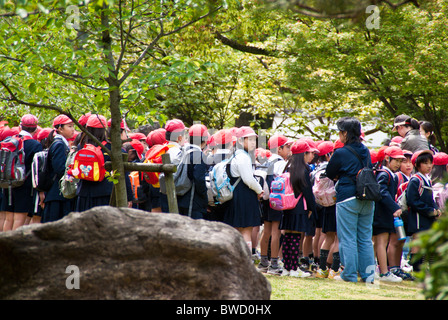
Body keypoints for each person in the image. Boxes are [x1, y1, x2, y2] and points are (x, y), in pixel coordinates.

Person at [325, 117, 376, 283]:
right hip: (367, 197)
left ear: (345, 133)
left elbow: (330, 172)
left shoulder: (340, 152)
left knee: (347, 238)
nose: (339, 135)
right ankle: (368, 275)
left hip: (347, 197)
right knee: (365, 238)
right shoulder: (365, 150)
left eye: (340, 132)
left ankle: (349, 274)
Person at [75, 114, 133, 212]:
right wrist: (129, 197)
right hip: (105, 194)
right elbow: (123, 175)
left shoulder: (81, 147)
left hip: (84, 194)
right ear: (104, 129)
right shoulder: (111, 149)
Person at [278, 140, 316, 278]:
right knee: (295, 238)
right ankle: (294, 268)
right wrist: (313, 208)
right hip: (299, 206)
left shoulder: (289, 166)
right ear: (303, 154)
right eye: (309, 153)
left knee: (288, 237)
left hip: (288, 205)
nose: (310, 156)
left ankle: (287, 268)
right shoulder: (303, 169)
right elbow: (307, 192)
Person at [223, 126, 264, 254]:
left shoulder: (236, 155)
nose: (253, 143)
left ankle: (236, 259)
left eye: (254, 140)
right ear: (241, 141)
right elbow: (248, 179)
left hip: (237, 194)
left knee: (238, 230)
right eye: (250, 139)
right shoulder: (243, 157)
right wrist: (260, 190)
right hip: (244, 195)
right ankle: (245, 261)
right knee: (246, 230)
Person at [258, 134, 292, 275]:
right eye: (287, 147)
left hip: (265, 200)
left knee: (266, 231)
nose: (289, 150)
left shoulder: (264, 161)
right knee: (275, 233)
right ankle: (273, 264)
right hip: (277, 201)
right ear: (279, 148)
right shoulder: (281, 163)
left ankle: (263, 262)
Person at [2, 115, 43, 231]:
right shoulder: (35, 145)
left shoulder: (8, 141)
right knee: (19, 219)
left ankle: (4, 245)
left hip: (7, 182)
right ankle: (13, 246)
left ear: (20, 127)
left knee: (8, 218)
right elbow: (37, 168)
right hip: (24, 184)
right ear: (35, 129)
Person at [372, 146, 405, 282]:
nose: (398, 163)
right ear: (387, 158)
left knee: (377, 243)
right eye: (396, 160)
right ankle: (384, 273)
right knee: (381, 242)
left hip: (382, 213)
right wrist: (394, 207)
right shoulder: (385, 174)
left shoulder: (388, 173)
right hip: (382, 213)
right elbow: (382, 192)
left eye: (400, 160)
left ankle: (373, 270)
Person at [407, 150, 441, 271]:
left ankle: (420, 268)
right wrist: (430, 210)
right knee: (417, 243)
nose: (429, 166)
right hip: (417, 218)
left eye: (430, 163)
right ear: (417, 164)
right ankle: (417, 270)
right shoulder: (416, 180)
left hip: (426, 217)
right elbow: (412, 201)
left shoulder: (427, 180)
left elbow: (431, 200)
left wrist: (436, 209)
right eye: (425, 163)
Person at [41, 115, 76, 223]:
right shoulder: (59, 144)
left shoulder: (60, 143)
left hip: (57, 192)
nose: (73, 129)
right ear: (60, 129)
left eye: (73, 126)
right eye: (69, 126)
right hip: (57, 193)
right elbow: (60, 168)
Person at [314, 141, 341, 279]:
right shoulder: (335, 167)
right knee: (339, 238)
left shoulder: (319, 169)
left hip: (326, 206)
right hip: (337, 204)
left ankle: (322, 268)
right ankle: (334, 270)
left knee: (328, 237)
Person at [176, 124, 209, 219]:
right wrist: (204, 196)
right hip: (193, 201)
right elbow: (198, 179)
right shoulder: (198, 154)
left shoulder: (183, 150)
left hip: (180, 197)